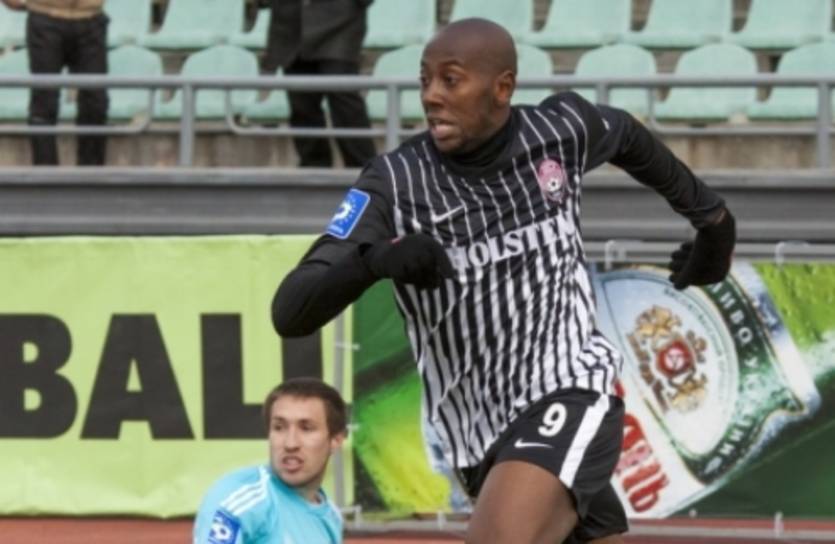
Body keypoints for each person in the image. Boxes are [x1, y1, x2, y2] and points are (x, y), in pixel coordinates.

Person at [272, 18, 736, 544]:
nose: (431, 96)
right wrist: (375, 259)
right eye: (425, 80)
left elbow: (626, 135)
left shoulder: (559, 131)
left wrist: (713, 222)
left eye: (450, 80)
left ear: (502, 88)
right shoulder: (395, 182)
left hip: (570, 388)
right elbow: (290, 312)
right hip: (478, 438)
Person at [193, 378, 347, 544]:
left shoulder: (332, 516)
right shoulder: (235, 501)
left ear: (336, 440)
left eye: (306, 428)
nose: (290, 443)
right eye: (279, 427)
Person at [263, 0, 376, 168]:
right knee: (302, 105)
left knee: (343, 100)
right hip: (292, 27)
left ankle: (366, 170)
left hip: (341, 24)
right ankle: (314, 169)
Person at [1, 0, 109, 166]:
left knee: (96, 102)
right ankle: (45, 175)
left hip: (91, 18)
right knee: (44, 104)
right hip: (45, 17)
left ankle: (91, 174)